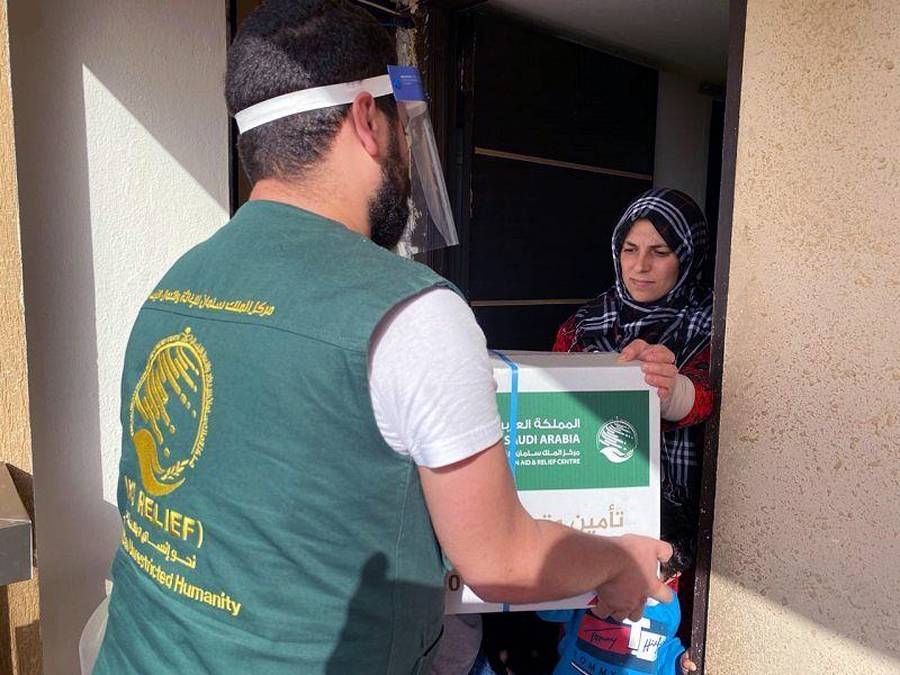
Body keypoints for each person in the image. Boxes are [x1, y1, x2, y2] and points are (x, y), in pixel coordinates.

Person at [91, 3, 674, 673]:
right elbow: (503, 558)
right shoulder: (410, 311)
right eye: (404, 126)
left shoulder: (173, 286)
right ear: (369, 118)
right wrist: (617, 557)